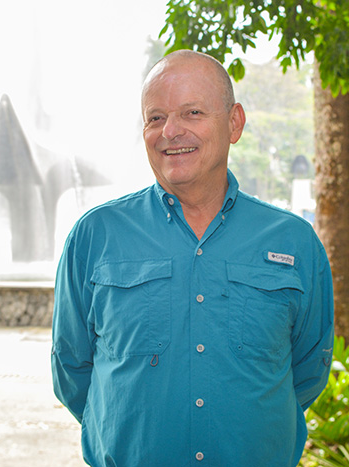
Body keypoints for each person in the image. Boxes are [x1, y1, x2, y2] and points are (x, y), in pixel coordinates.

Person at [51, 50, 334, 467]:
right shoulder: (96, 235)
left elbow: (309, 368)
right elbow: (72, 368)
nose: (171, 131)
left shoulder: (294, 242)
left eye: (192, 112)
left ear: (234, 123)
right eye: (155, 117)